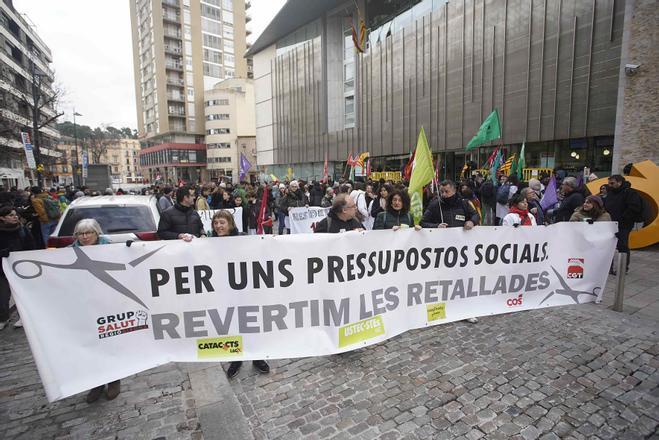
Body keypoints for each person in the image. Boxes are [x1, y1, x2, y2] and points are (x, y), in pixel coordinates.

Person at [211, 210, 270, 378]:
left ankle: (257, 357)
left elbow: (259, 251)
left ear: (230, 224)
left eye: (222, 222)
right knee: (232, 325)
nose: (218, 226)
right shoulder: (209, 242)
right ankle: (236, 359)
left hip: (244, 290)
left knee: (250, 323)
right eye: (216, 223)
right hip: (224, 291)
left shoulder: (242, 237)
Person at [70, 218, 120, 403]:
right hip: (83, 304)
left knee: (109, 340)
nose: (84, 237)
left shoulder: (110, 249)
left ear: (96, 233)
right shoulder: (68, 252)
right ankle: (96, 382)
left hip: (107, 302)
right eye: (80, 234)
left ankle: (114, 379)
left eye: (88, 233)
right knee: (91, 343)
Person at [0, 206, 35, 330]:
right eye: (10, 215)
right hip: (2, 269)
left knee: (21, 293)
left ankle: (23, 316)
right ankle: (3, 318)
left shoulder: (22, 229)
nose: (14, 217)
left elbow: (31, 245)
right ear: (2, 218)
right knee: (3, 295)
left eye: (15, 214)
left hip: (21, 267)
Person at [604, 175, 642, 274]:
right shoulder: (611, 193)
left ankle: (623, 268)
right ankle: (609, 268)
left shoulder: (629, 193)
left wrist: (623, 219)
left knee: (622, 246)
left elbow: (634, 208)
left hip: (623, 225)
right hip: (610, 223)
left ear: (619, 182)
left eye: (612, 183)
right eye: (609, 183)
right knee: (609, 246)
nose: (609, 185)